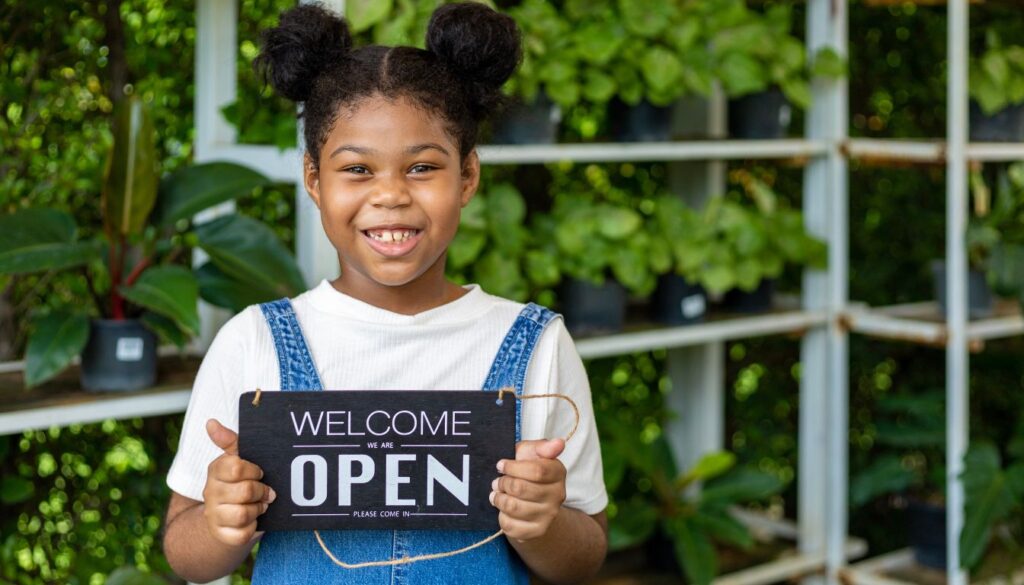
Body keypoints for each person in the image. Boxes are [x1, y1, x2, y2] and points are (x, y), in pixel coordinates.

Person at [161, 3, 607, 584]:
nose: (391, 195)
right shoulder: (252, 343)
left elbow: (586, 554)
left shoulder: (537, 345)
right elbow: (183, 547)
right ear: (314, 180)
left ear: (468, 176)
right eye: (358, 170)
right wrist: (221, 522)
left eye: (422, 167)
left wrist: (542, 523)